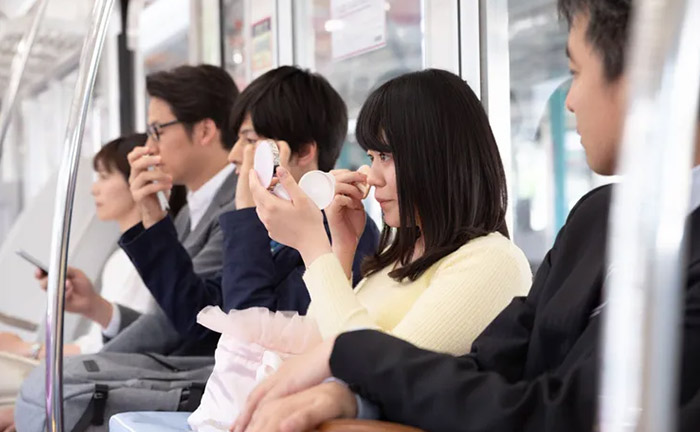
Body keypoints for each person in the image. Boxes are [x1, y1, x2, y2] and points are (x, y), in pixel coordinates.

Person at [230, 1, 700, 432]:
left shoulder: (490, 262)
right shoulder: (594, 218)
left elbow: (561, 414)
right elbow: (485, 366)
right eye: (371, 155)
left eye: (575, 72)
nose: (570, 99)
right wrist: (337, 257)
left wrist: (319, 262)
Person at [245, 68, 531, 356]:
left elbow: (382, 371)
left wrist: (312, 246)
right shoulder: (397, 258)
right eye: (371, 157)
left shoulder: (492, 260)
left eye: (386, 156)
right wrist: (341, 247)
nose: (371, 176)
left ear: (440, 157)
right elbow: (312, 351)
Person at [117, 65, 380, 349]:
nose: (233, 156)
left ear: (303, 151)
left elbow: (251, 342)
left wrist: (246, 213)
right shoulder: (273, 229)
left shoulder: (340, 232)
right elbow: (204, 320)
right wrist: (154, 218)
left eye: (251, 141)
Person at [0, 133, 156, 432]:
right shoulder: (120, 258)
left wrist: (30, 350)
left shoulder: (144, 260)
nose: (93, 188)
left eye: (105, 176)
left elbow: (116, 351)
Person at [97, 64, 240, 356]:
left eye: (156, 131)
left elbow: (197, 319)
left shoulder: (236, 210)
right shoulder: (190, 211)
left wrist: (94, 366)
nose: (148, 146)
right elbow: (168, 319)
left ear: (204, 131)